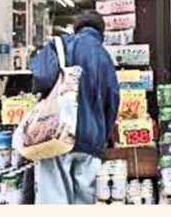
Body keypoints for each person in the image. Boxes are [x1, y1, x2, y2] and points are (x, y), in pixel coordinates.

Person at [29, 11, 120, 204]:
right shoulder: (105, 57)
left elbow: (41, 78)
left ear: (76, 27)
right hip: (91, 141)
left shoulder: (60, 44)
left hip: (56, 135)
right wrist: (101, 136)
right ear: (101, 33)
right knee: (85, 202)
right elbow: (112, 102)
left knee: (55, 201)